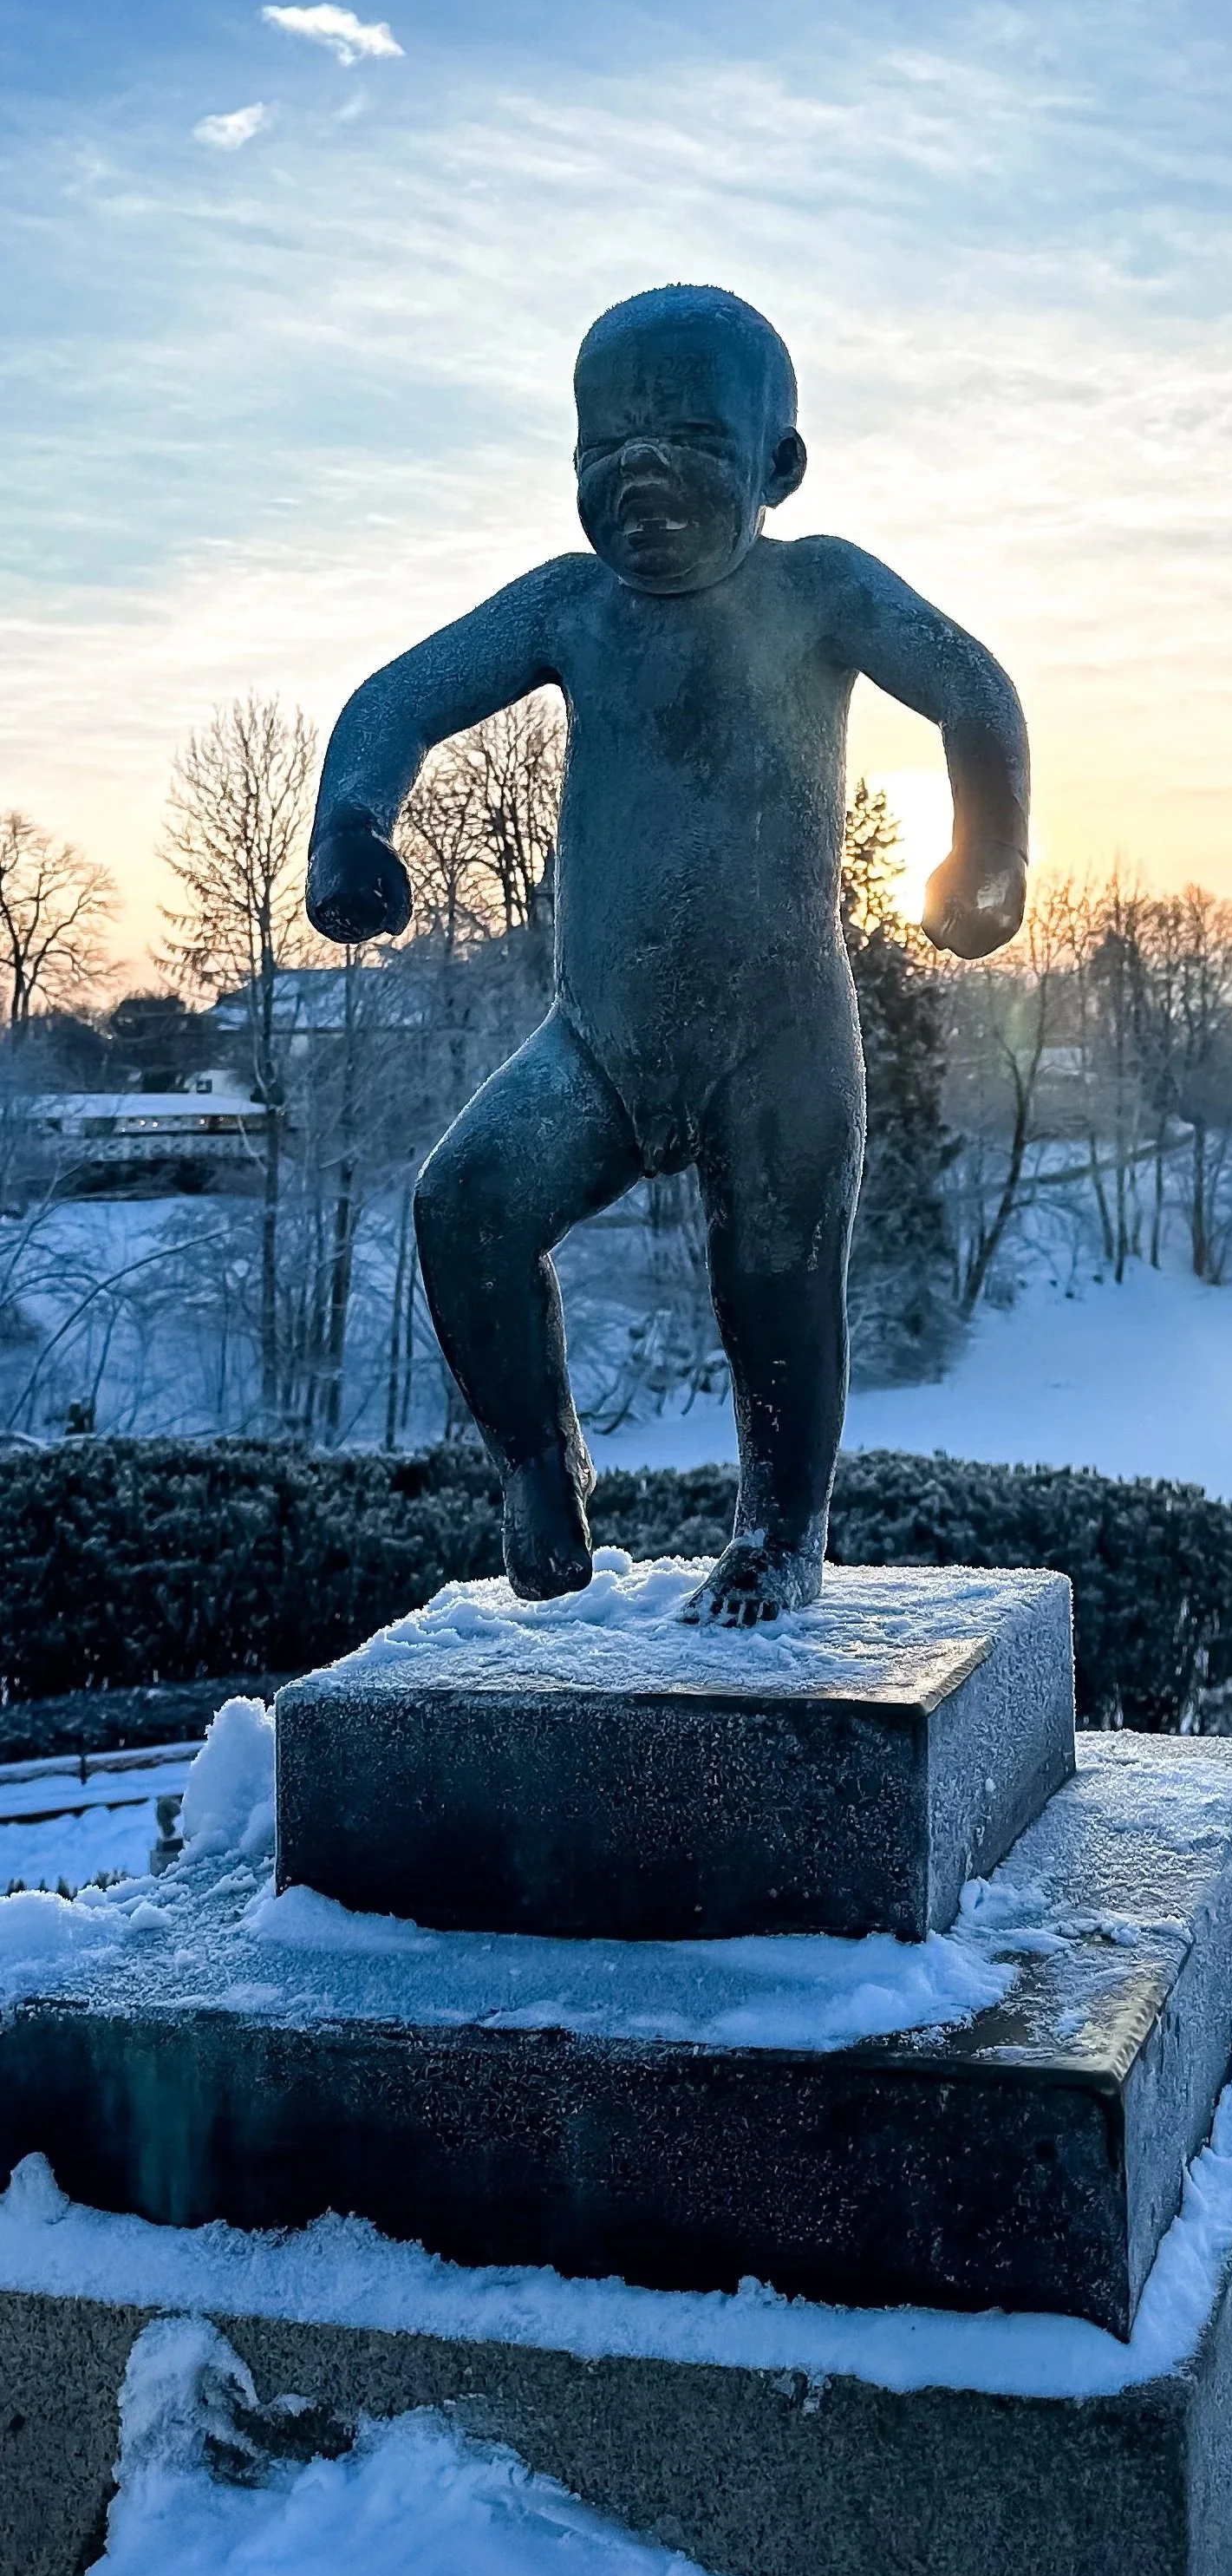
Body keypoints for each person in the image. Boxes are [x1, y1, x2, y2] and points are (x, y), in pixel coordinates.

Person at [306, 285, 1029, 1621]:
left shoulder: (818, 590)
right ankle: (538, 1460)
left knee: (776, 1280)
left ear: (778, 466)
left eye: (687, 439)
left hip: (780, 1036)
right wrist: (351, 825)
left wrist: (985, 855)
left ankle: (778, 1527)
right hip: (603, 1035)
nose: (638, 475)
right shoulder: (573, 610)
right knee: (464, 1207)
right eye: (603, 447)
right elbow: (395, 701)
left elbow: (970, 684)